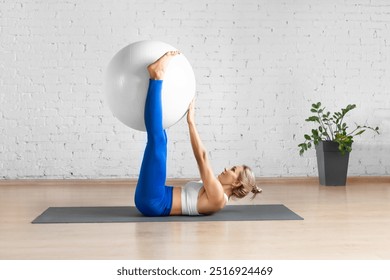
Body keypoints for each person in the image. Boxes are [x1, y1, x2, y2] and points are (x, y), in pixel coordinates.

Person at [134, 51, 262, 217]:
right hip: (156, 195)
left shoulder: (218, 197)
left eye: (232, 169)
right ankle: (157, 84)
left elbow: (202, 157)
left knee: (157, 141)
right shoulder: (215, 188)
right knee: (161, 138)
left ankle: (157, 76)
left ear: (237, 182)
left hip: (154, 202)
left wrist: (191, 122)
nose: (226, 168)